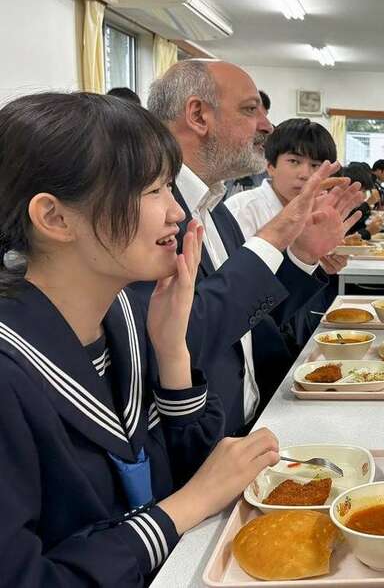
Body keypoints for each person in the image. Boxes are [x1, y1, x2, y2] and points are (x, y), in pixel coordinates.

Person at [0, 92, 280, 585]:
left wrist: (173, 354)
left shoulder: (124, 316)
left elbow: (196, 471)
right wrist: (183, 507)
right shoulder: (11, 369)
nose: (177, 213)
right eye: (152, 191)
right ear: (55, 219)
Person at [139, 59, 362, 435]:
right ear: (198, 115)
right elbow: (181, 338)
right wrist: (279, 231)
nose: (266, 126)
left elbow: (252, 320)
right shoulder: (151, 215)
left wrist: (304, 256)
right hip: (200, 441)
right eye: (249, 109)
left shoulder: (214, 208)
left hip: (251, 422)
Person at [223, 118, 348, 347]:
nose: (305, 174)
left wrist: (322, 263)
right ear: (270, 165)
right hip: (252, 337)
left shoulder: (321, 211)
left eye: (316, 165)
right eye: (294, 161)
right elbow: (236, 290)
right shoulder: (241, 211)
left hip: (303, 325)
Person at [342, 162, 384, 240]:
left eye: (365, 191)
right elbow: (342, 241)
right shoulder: (338, 210)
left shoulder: (349, 208)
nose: (364, 196)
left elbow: (353, 229)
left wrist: (370, 227)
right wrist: (367, 232)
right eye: (363, 191)